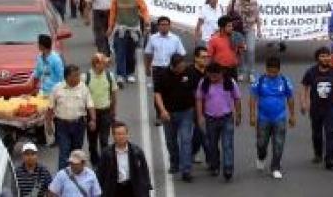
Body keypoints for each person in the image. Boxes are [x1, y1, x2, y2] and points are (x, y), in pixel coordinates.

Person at [250, 56, 295, 179]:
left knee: (279, 143)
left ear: (279, 70)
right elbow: (253, 98)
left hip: (279, 117)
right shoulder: (260, 80)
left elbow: (290, 98)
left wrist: (292, 115)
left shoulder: (285, 81)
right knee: (261, 143)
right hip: (263, 117)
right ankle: (261, 156)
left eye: (275, 72)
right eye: (270, 71)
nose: (272, 74)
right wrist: (252, 115)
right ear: (266, 69)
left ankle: (275, 167)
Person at [154, 53, 197, 182]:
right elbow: (157, 94)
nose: (182, 69)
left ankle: (186, 169)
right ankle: (174, 162)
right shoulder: (162, 75)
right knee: (170, 140)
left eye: (183, 66)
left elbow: (195, 89)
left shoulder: (188, 72)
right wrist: (162, 111)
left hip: (186, 112)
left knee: (186, 140)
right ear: (173, 66)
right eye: (180, 67)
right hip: (169, 113)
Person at [300, 46, 333, 170]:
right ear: (317, 58)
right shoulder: (311, 72)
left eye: (327, 56)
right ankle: (318, 153)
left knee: (330, 133)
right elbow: (304, 87)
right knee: (317, 133)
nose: (325, 58)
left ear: (331, 57)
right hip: (316, 108)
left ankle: (330, 159)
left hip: (331, 107)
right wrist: (304, 103)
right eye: (322, 56)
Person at [197, 62, 242, 181]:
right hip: (210, 118)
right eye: (210, 76)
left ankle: (228, 168)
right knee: (211, 144)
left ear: (221, 73)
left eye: (215, 76)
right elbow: (199, 100)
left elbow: (237, 98)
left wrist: (238, 115)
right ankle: (215, 165)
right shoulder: (204, 83)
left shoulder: (229, 82)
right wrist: (200, 116)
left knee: (227, 144)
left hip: (226, 118)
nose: (213, 78)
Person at [48, 65, 96, 170]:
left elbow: (90, 105)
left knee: (77, 152)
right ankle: (62, 178)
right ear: (67, 77)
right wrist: (48, 125)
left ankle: (77, 175)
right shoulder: (57, 89)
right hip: (62, 125)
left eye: (78, 75)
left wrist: (93, 119)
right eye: (75, 76)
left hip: (79, 125)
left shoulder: (83, 88)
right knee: (64, 152)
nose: (78, 78)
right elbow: (50, 108)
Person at [106, 0, 150, 85]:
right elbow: (113, 13)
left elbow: (144, 10)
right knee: (120, 52)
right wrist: (110, 27)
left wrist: (147, 21)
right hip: (120, 29)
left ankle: (130, 73)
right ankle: (121, 75)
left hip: (134, 29)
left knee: (130, 53)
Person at [96, 121, 152, 197]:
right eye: (118, 134)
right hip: (114, 188)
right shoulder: (106, 153)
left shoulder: (137, 152)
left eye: (123, 133)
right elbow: (101, 174)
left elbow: (144, 171)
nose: (121, 136)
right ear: (113, 136)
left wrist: (146, 188)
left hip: (132, 187)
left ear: (127, 134)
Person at [83, 53, 118, 167]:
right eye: (103, 63)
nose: (105, 65)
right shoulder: (86, 77)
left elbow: (113, 93)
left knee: (104, 140)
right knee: (92, 141)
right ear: (96, 64)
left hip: (105, 112)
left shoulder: (109, 76)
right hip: (91, 113)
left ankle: (105, 163)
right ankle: (95, 162)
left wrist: (113, 110)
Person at [227, 0, 262, 81]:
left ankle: (251, 73)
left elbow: (257, 17)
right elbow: (227, 14)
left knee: (251, 50)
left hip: (250, 28)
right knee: (240, 51)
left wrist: (259, 29)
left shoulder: (254, 2)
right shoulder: (234, 1)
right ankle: (241, 71)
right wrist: (228, 28)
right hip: (238, 30)